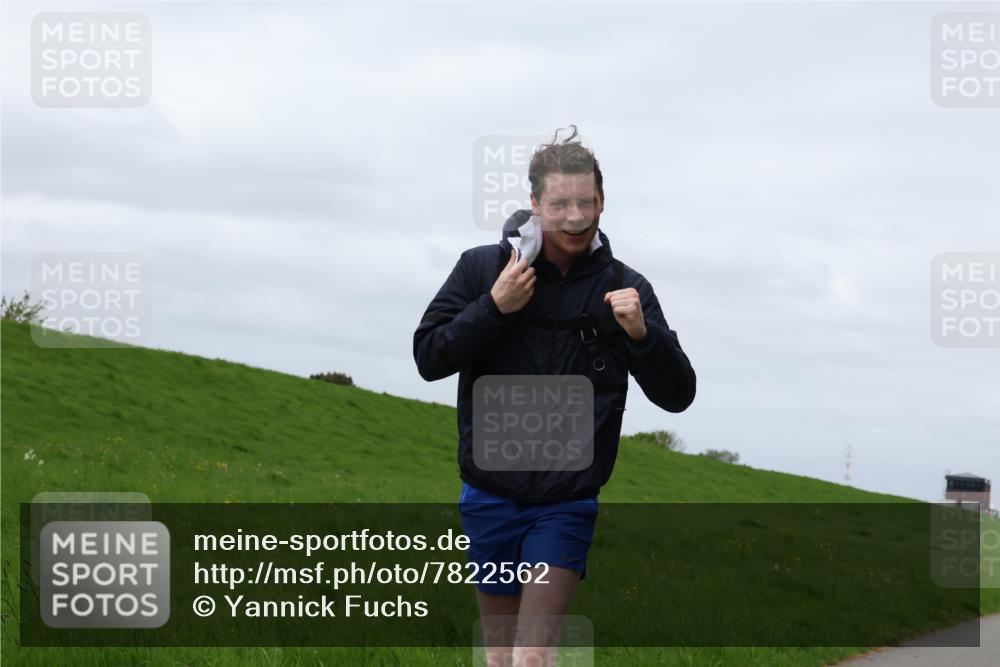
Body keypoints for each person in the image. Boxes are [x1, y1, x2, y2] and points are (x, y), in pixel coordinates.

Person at [413, 125, 696, 666]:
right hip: (489, 493)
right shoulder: (483, 269)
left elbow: (678, 395)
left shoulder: (625, 287)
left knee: (533, 656)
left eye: (585, 203)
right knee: (498, 659)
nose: (574, 217)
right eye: (560, 203)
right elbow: (429, 356)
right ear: (535, 202)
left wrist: (642, 336)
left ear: (602, 201)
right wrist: (492, 308)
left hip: (566, 500)